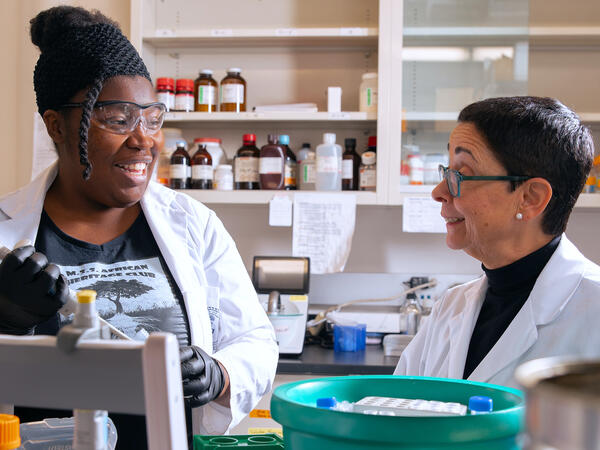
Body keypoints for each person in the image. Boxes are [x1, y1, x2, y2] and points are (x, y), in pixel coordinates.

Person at [0, 5, 277, 447]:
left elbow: (255, 340)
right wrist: (8, 319)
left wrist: (218, 373)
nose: (144, 139)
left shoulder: (193, 224)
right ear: (56, 125)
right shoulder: (6, 233)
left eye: (151, 118)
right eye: (117, 118)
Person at [395, 96, 600, 388]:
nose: (439, 191)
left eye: (461, 175)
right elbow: (400, 411)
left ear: (530, 198)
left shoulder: (594, 311)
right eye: (447, 172)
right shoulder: (450, 307)